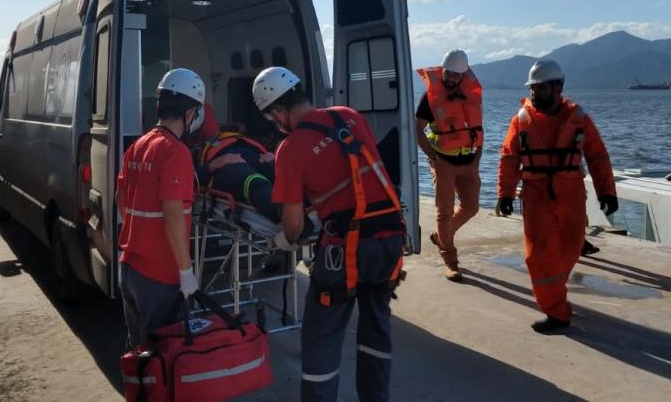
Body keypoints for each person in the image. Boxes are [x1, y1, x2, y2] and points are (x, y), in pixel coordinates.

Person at [252, 66, 406, 402]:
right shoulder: (348, 115)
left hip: (347, 251)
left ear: (277, 112)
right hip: (391, 238)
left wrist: (284, 240)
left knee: (321, 337)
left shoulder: (290, 149)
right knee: (376, 328)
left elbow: (293, 225)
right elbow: (349, 173)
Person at [497, 60, 618, 333]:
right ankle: (556, 311)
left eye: (540, 88)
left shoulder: (580, 119)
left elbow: (597, 156)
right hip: (536, 194)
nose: (534, 93)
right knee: (539, 255)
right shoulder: (520, 121)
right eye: (532, 88)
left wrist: (607, 191)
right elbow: (509, 157)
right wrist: (505, 193)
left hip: (571, 193)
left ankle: (555, 293)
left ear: (558, 87)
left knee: (571, 247)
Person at [115, 68, 205, 348]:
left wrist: (140, 234)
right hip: (159, 273)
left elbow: (121, 197)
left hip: (130, 267)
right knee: (160, 355)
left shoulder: (139, 145)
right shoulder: (176, 152)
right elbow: (173, 214)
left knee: (138, 349)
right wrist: (185, 270)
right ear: (189, 113)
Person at [416, 49, 483, 282]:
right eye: (449, 73)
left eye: (457, 74)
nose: (452, 77)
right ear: (442, 70)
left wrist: (478, 155)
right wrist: (432, 156)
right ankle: (450, 261)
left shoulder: (471, 95)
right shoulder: (429, 98)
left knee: (471, 207)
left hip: (469, 161)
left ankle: (440, 236)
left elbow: (478, 127)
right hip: (443, 161)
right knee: (444, 211)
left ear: (463, 74)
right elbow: (418, 129)